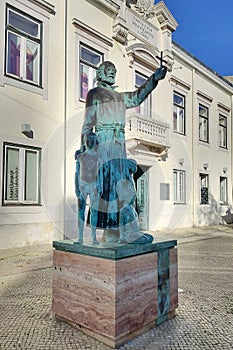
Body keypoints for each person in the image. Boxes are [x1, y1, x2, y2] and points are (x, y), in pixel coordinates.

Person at [81, 60, 167, 243]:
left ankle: (122, 230)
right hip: (104, 142)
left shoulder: (120, 97)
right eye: (108, 70)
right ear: (100, 74)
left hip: (119, 142)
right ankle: (113, 231)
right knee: (108, 187)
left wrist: (154, 79)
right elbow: (88, 124)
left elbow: (137, 97)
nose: (112, 72)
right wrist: (88, 141)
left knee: (124, 185)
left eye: (114, 70)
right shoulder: (95, 93)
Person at [74, 132, 101, 244]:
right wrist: (77, 188)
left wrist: (100, 186)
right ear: (85, 141)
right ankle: (80, 237)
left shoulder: (98, 156)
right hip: (83, 185)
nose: (89, 141)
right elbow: (76, 173)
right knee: (81, 211)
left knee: (94, 211)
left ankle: (93, 237)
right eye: (88, 139)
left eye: (91, 139)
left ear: (95, 141)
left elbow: (100, 173)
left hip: (94, 185)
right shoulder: (80, 156)